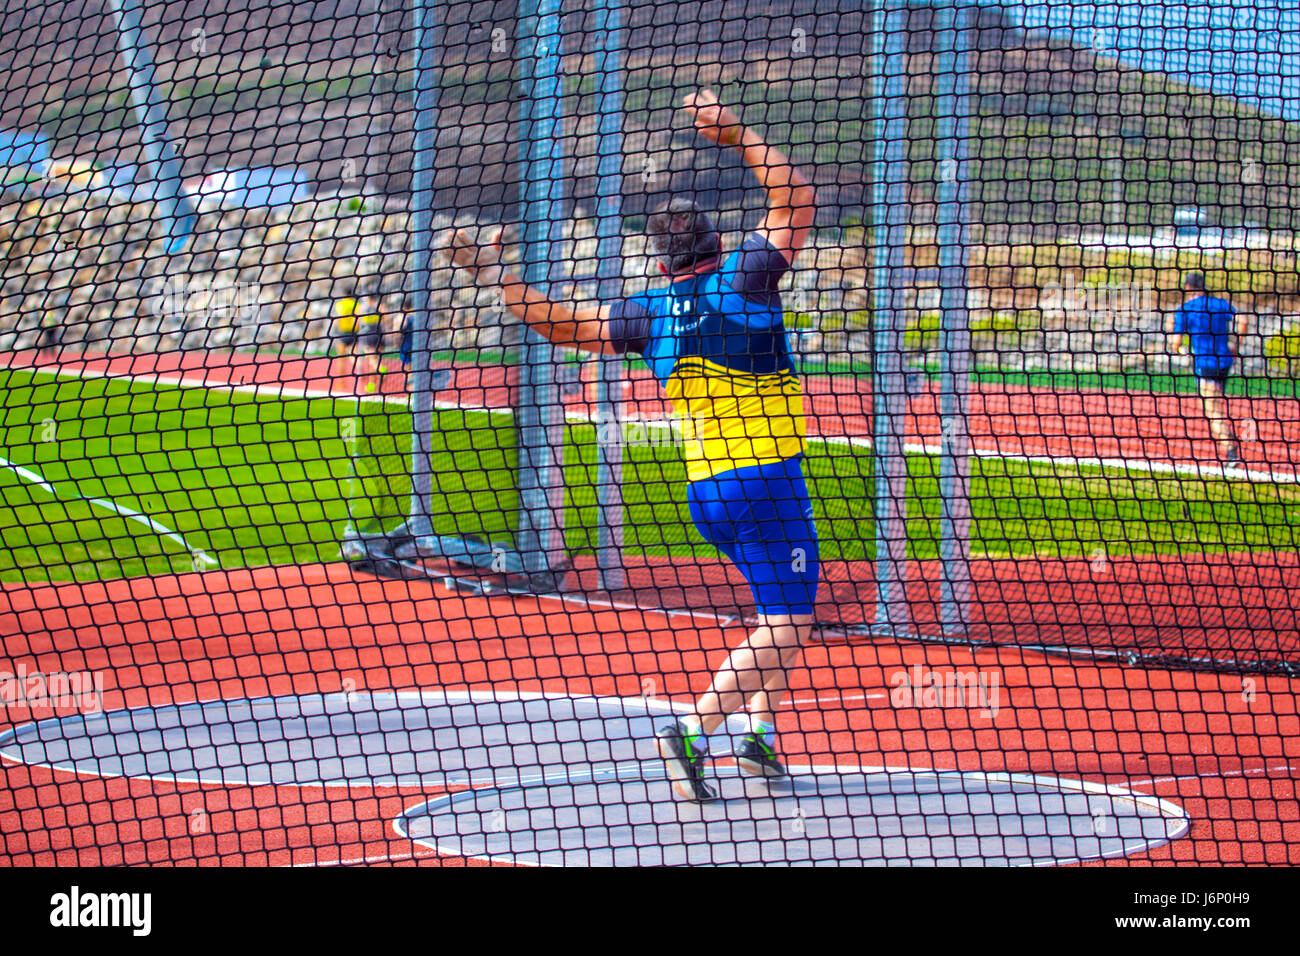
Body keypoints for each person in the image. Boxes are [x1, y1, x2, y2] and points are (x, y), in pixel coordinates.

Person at [439, 90, 818, 802]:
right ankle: (694, 731)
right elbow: (796, 198)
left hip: (708, 490)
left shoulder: (644, 313)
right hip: (766, 480)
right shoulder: (748, 276)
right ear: (713, 242)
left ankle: (758, 738)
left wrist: (496, 278)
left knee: (778, 610)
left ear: (663, 259)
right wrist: (733, 135)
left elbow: (559, 325)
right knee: (791, 619)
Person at [1169, 272, 1247, 462]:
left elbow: (1175, 342)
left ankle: (1230, 451)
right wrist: (1236, 345)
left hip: (1206, 365)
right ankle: (1229, 440)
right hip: (1225, 362)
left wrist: (1182, 350)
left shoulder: (1186, 309)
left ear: (1187, 288)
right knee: (1216, 402)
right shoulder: (1219, 304)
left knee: (1212, 409)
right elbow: (1243, 320)